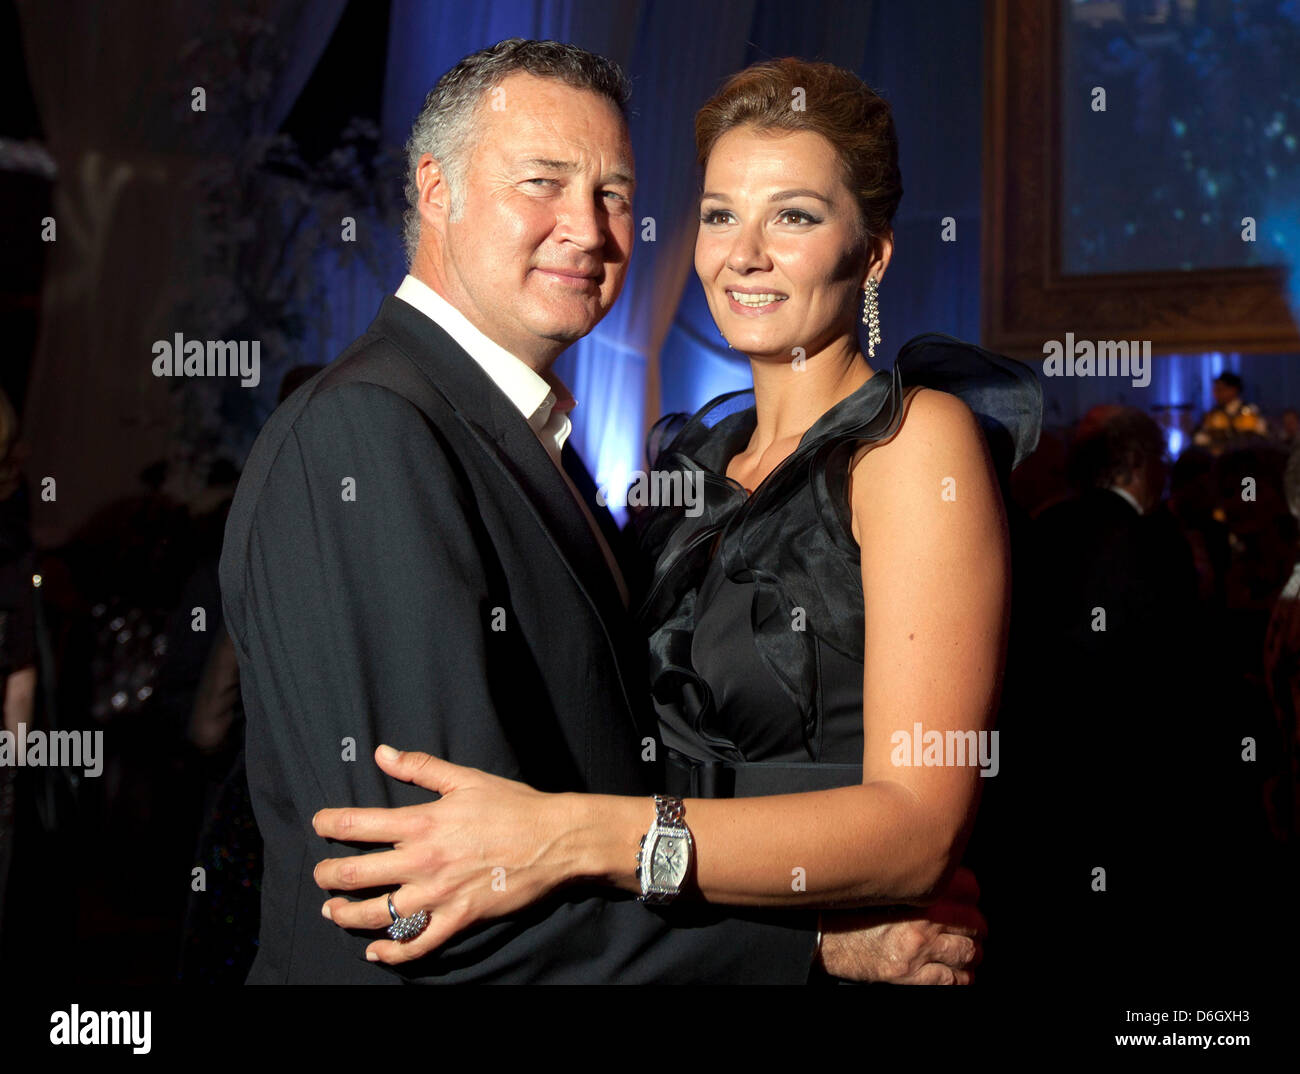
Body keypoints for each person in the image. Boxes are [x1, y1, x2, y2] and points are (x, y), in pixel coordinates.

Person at [222, 40, 984, 985]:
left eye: (615, 195)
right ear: (435, 189)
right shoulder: (384, 431)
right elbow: (428, 889)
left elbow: (913, 820)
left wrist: (585, 834)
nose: (585, 227)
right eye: (718, 214)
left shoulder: (909, 445)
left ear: (870, 255)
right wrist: (812, 945)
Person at [1193, 370, 1267, 452]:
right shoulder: (1213, 414)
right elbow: (1199, 438)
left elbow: (1262, 435)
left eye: (1220, 390)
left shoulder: (1250, 411)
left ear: (1233, 390)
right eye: (1215, 390)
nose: (1216, 394)